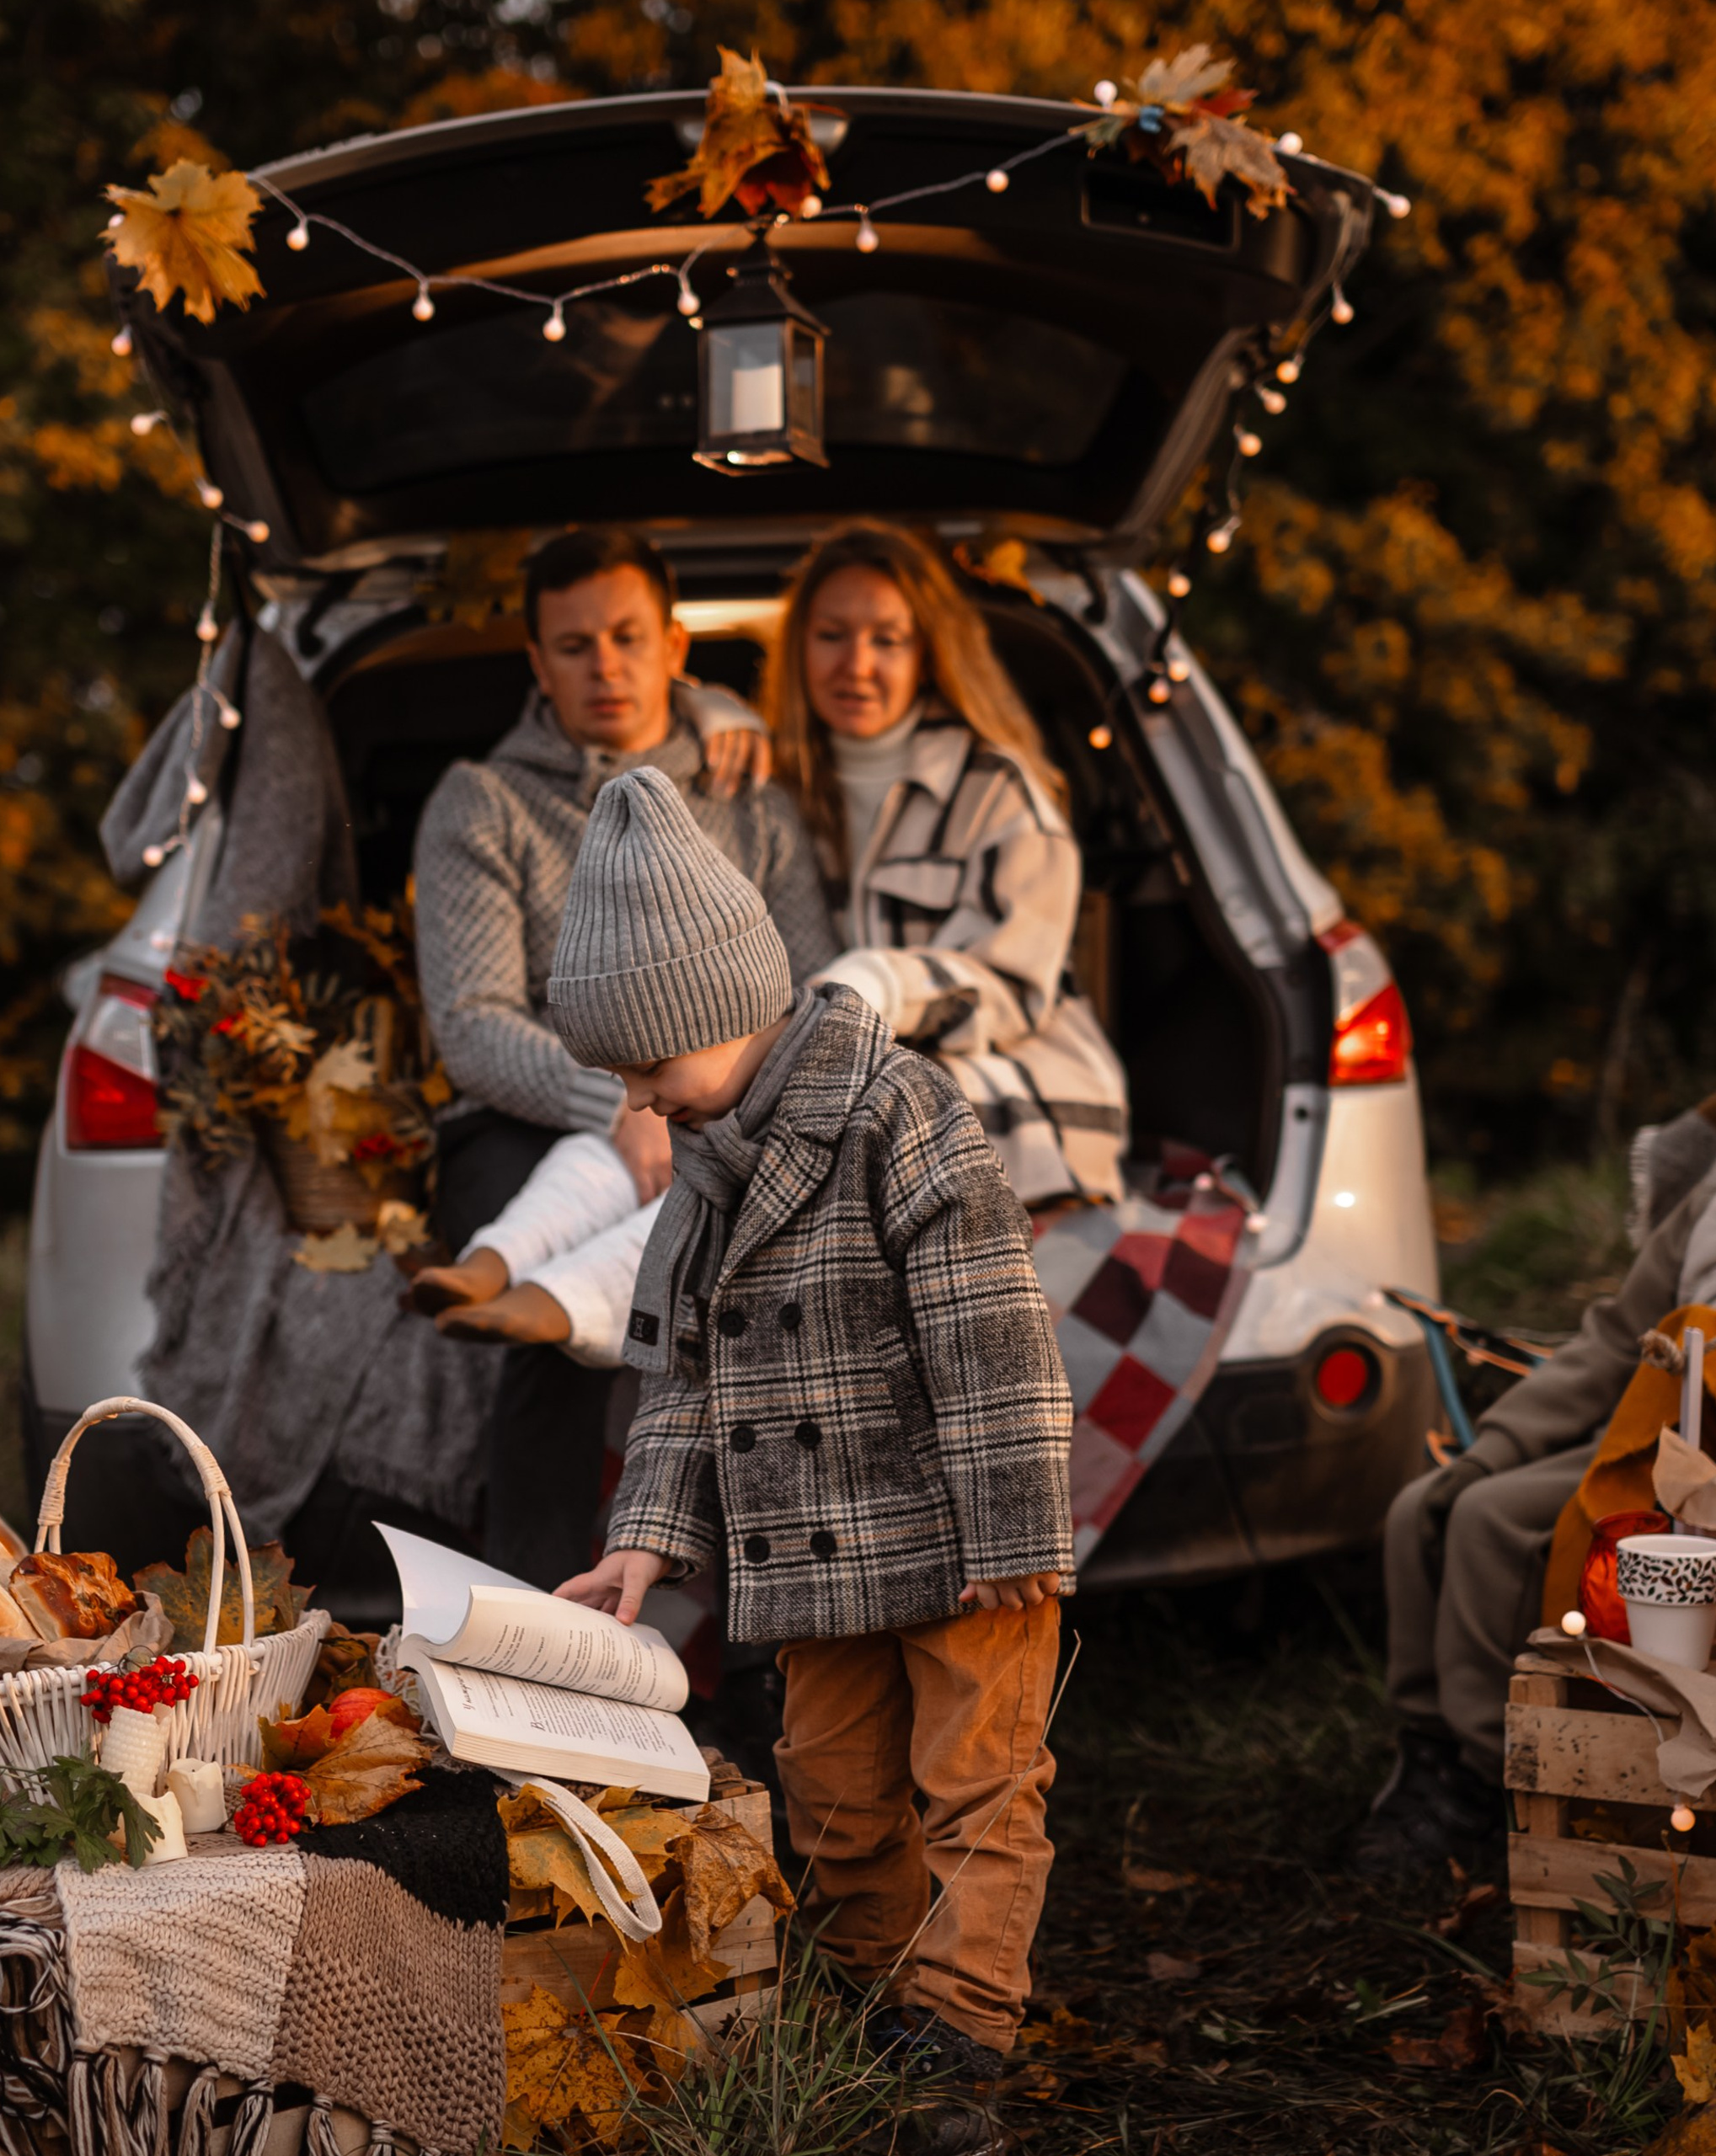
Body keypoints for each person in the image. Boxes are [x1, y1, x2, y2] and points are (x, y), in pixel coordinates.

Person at [544, 765, 1073, 2136]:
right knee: (830, 1792)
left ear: (718, 1012)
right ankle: (882, 1989)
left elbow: (992, 1331)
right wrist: (644, 1542)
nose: (649, 1108)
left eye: (653, 1072)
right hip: (817, 1556)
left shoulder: (898, 1117)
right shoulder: (708, 1182)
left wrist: (1013, 1530)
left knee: (978, 1784)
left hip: (963, 1542)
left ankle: (962, 2032)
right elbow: (682, 1384)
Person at [419, 517, 1126, 1365]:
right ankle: (502, 1263)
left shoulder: (965, 789)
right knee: (689, 1121)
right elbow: (474, 1019)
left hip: (971, 1064)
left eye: (886, 639)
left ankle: (574, 1295)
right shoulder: (781, 764)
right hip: (788, 1048)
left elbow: (988, 982)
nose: (854, 663)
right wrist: (630, 1095)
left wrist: (863, 987)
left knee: (772, 1127)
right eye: (828, 636)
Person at [411, 526, 835, 1587]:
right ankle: (530, 1640)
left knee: (763, 1272)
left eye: (625, 636)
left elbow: (809, 985)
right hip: (531, 1108)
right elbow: (470, 1023)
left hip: (733, 1095)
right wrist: (617, 1099)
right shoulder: (483, 800)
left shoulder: (748, 800)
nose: (603, 664)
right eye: (573, 644)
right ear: (537, 663)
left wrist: (712, 1098)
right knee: (538, 1347)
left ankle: (760, 1645)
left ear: (674, 646)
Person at [1355, 1046, 1716, 1877]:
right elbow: (1611, 1343)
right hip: (1649, 1435)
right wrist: (1494, 1448)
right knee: (1429, 1505)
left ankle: (1492, 1769)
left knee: (1492, 1526)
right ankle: (1427, 1746)